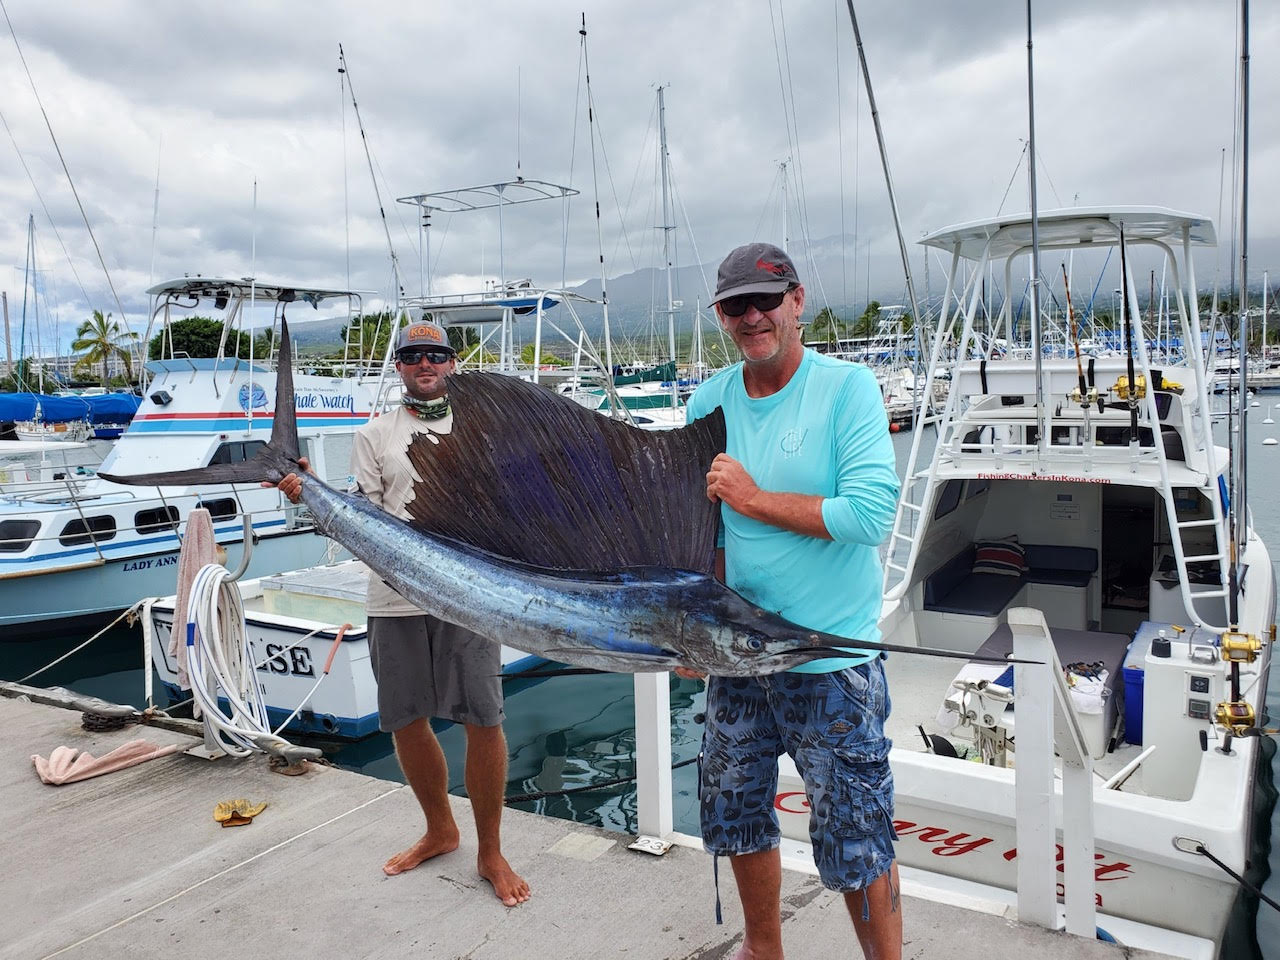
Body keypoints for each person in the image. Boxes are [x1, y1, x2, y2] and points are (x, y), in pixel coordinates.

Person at [681, 243, 901, 959]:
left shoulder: (848, 389)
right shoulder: (707, 400)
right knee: (738, 813)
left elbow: (871, 514)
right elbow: (703, 534)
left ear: (796, 302)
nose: (753, 317)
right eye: (735, 305)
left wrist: (754, 499)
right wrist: (694, 629)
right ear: (721, 315)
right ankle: (763, 949)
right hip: (738, 659)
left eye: (765, 301)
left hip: (829, 661)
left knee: (856, 835)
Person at [274, 319, 530, 907]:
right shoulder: (374, 436)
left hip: (473, 597)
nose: (425, 364)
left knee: (484, 718)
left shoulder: (483, 430)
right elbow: (363, 515)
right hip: (394, 598)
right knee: (406, 718)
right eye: (412, 356)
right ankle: (442, 829)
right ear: (399, 367)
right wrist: (312, 490)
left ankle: (490, 850)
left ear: (452, 362)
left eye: (435, 355)